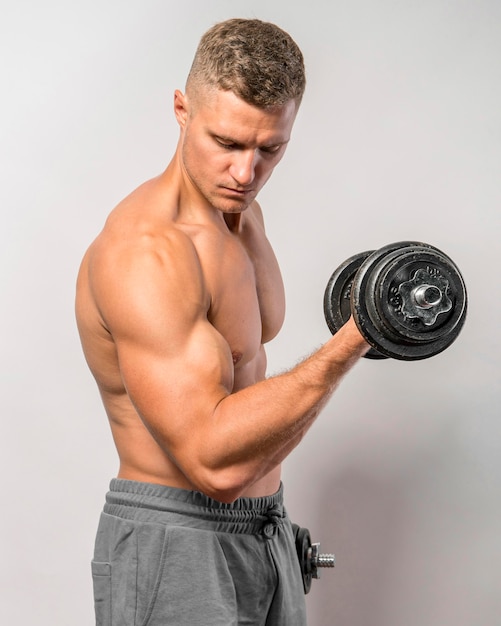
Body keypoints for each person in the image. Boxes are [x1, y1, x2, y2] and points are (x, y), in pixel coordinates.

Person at [76, 17, 368, 626]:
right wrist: (353, 341)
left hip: (266, 530)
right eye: (228, 143)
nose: (246, 172)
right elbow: (214, 464)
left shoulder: (242, 216)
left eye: (270, 149)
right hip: (175, 537)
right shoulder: (148, 253)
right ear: (182, 109)